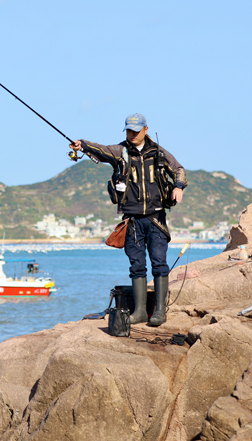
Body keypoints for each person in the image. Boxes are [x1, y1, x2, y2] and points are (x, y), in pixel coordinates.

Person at [69, 113, 187, 327]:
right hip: (131, 220)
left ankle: (160, 312)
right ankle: (140, 312)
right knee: (137, 265)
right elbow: (101, 150)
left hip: (155, 218)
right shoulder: (120, 152)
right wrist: (83, 144)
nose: (132, 134)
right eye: (129, 130)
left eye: (136, 130)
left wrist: (178, 187)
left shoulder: (158, 152)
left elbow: (179, 169)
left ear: (146, 129)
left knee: (159, 263)